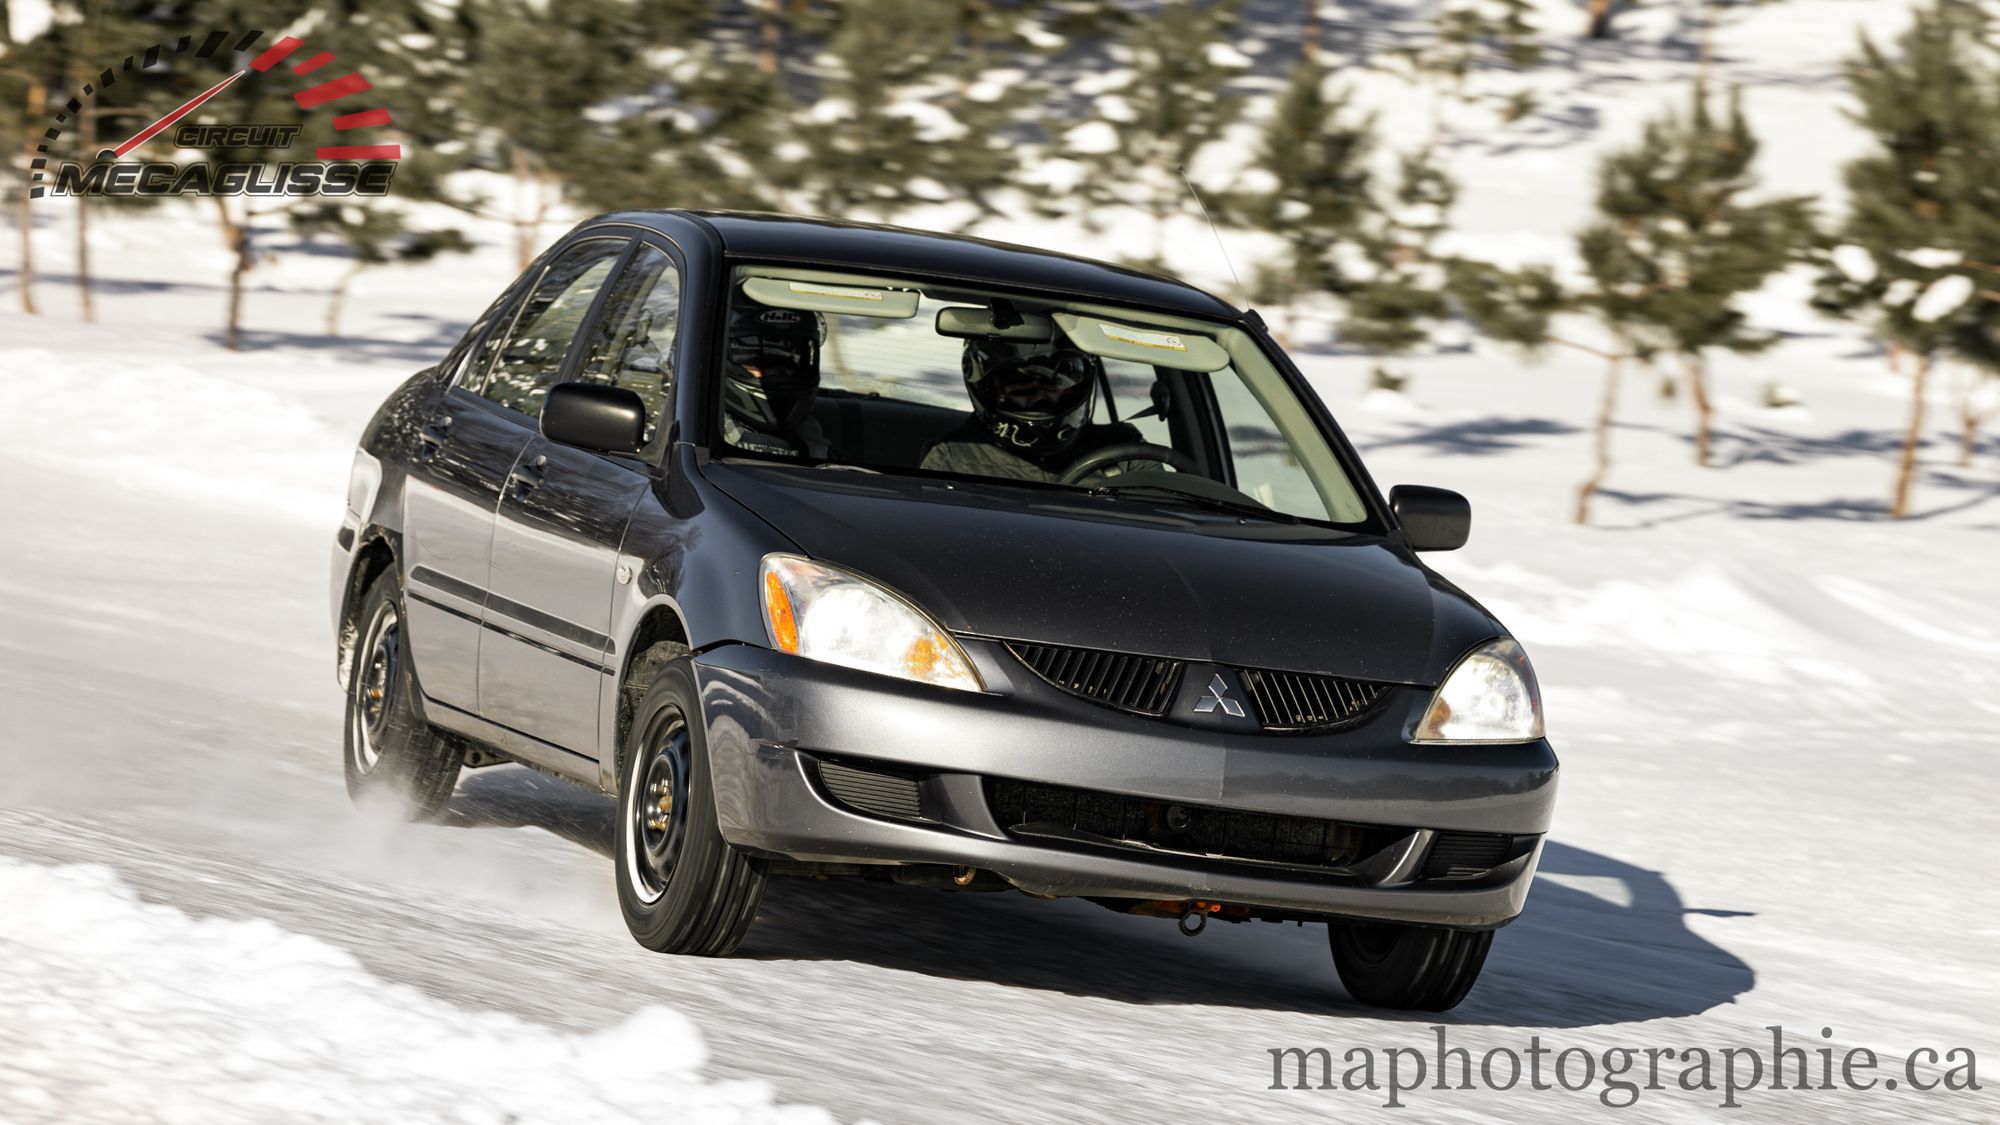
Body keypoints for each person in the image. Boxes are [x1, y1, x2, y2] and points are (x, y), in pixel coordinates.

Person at [920, 337, 1143, 482]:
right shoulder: (952, 457)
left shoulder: (1125, 451)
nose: (1040, 395)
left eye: (1054, 380)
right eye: (1021, 384)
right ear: (991, 390)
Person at [721, 304, 829, 458]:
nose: (777, 371)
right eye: (756, 358)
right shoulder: (701, 442)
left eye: (788, 360)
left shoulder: (812, 441)